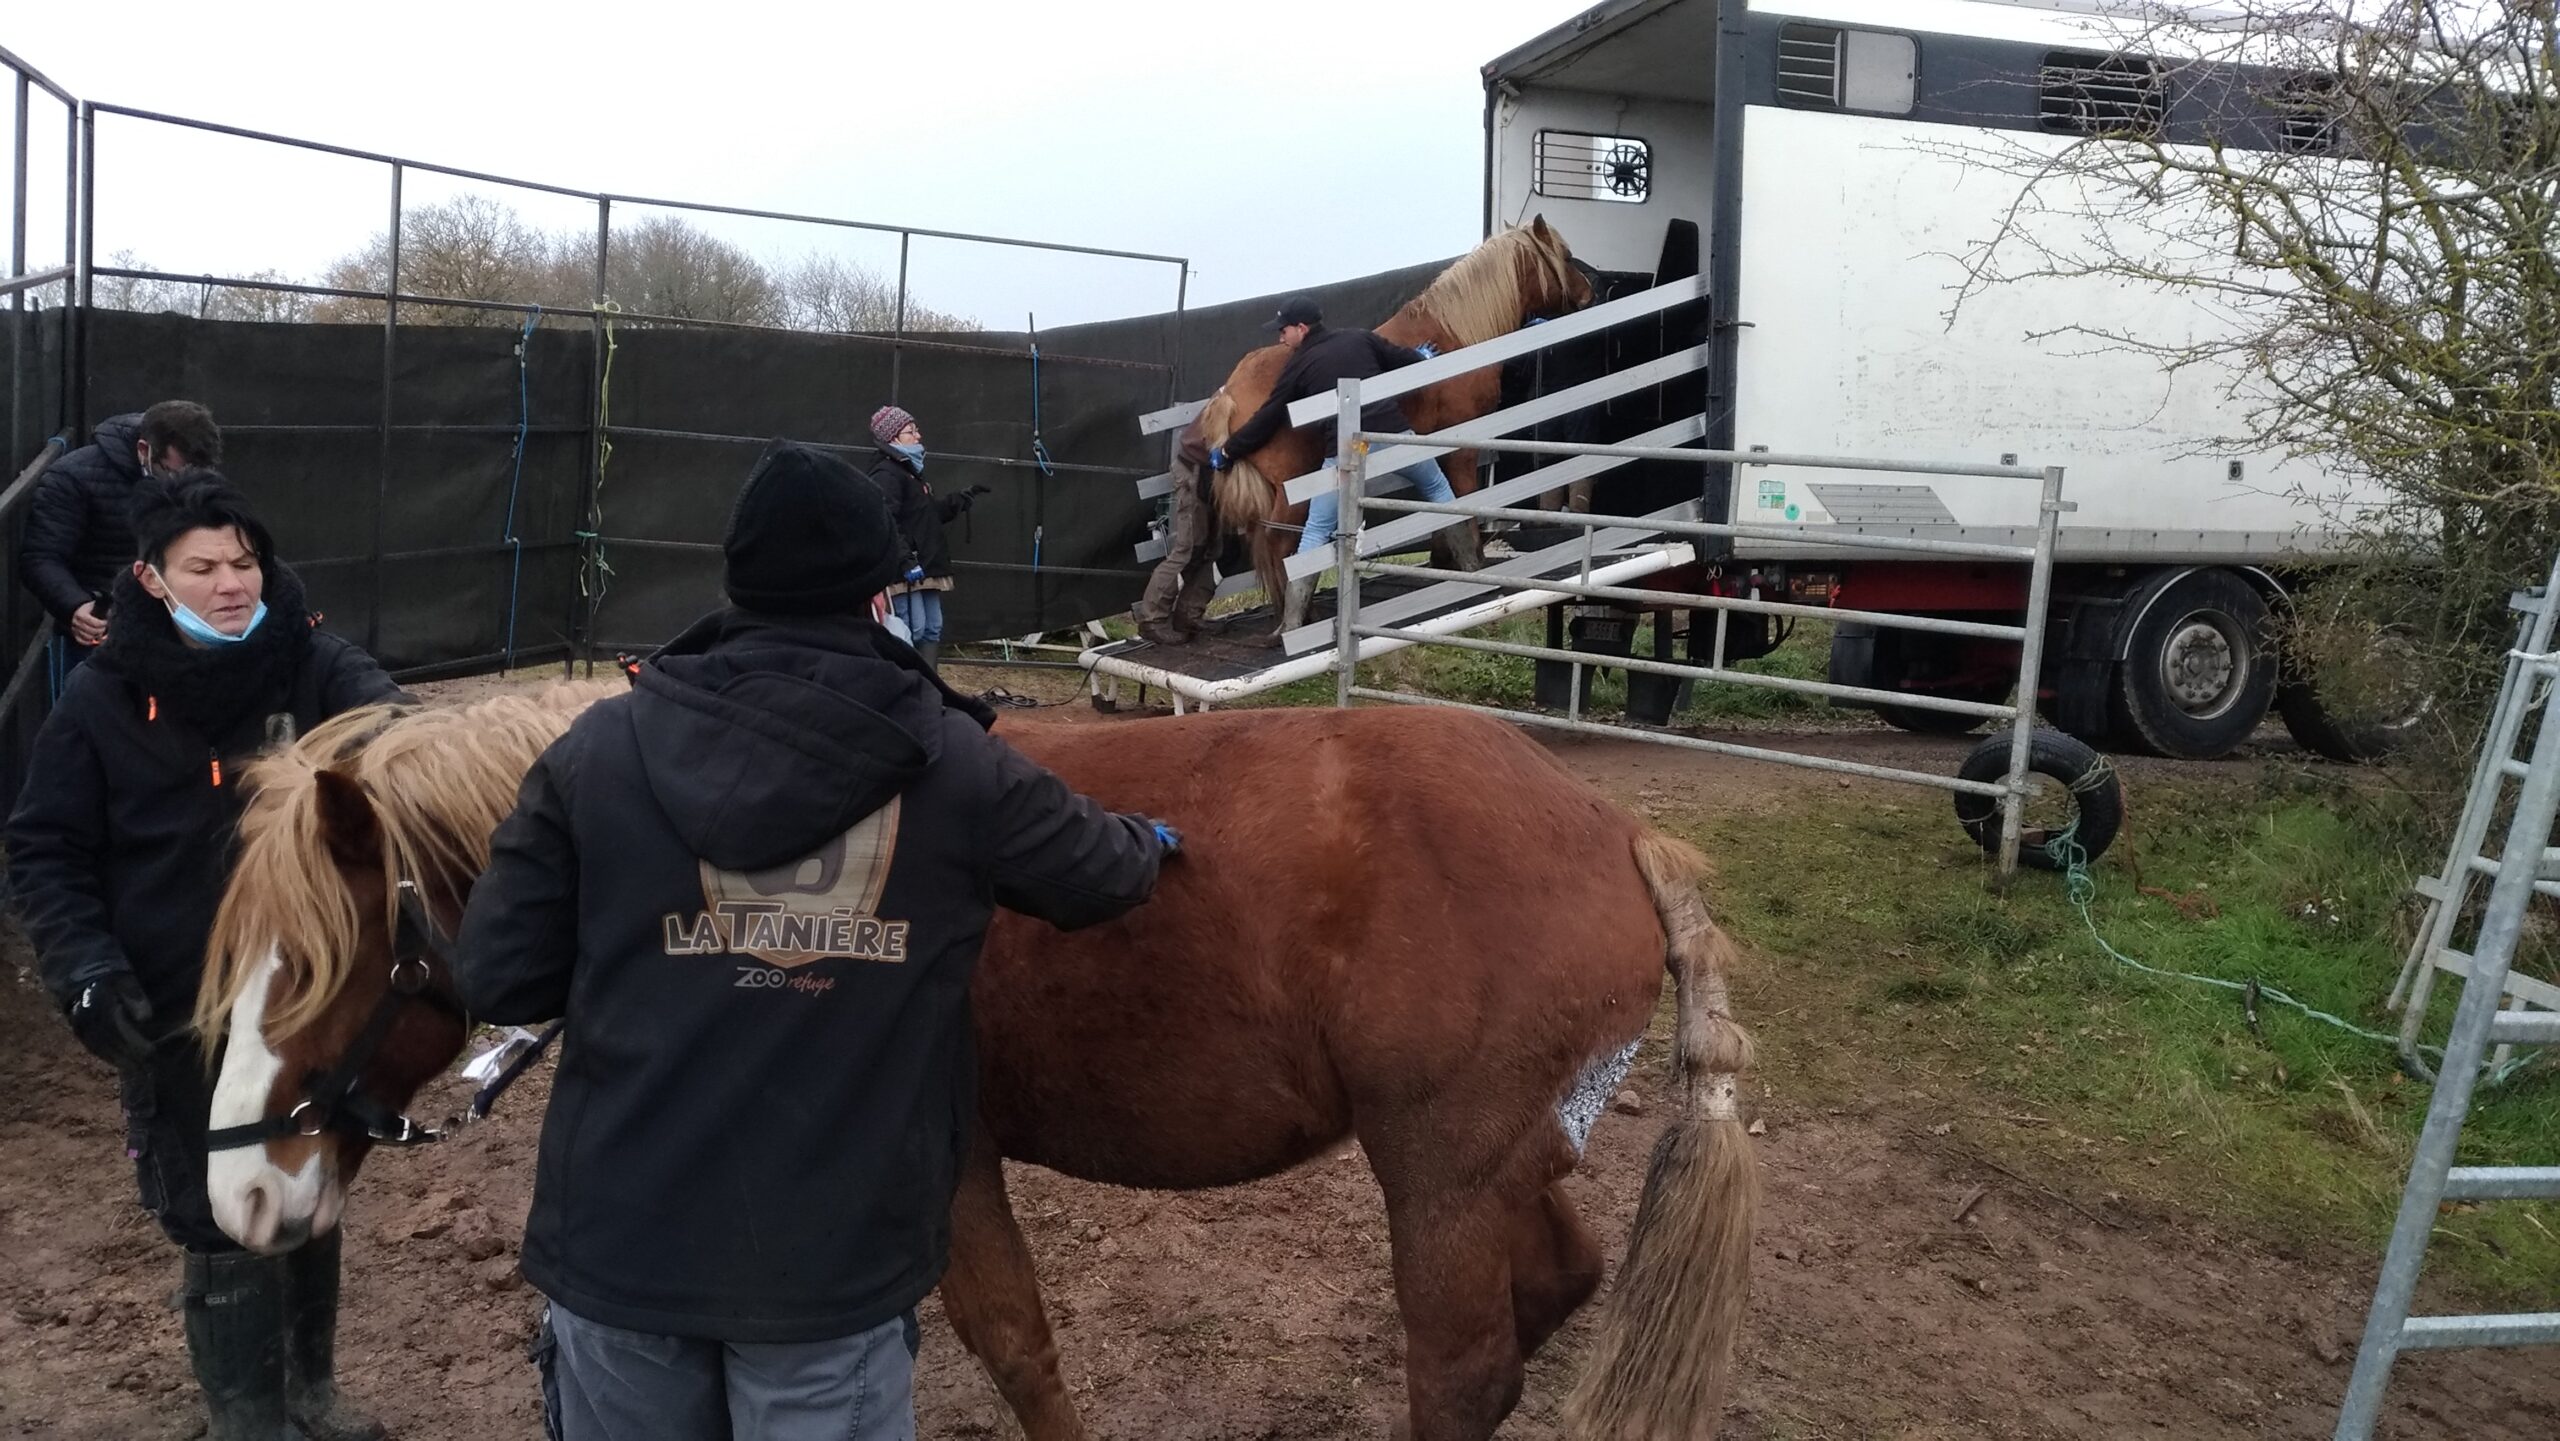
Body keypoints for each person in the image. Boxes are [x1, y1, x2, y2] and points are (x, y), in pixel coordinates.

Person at [450, 441, 1179, 1441]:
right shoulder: (954, 762)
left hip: (621, 1244)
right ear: (880, 589)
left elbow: (499, 972)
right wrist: (1151, 837)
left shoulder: (600, 749)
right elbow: (1103, 875)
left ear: (734, 576)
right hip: (829, 1265)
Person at [6, 471, 405, 1441]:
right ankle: (248, 1418)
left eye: (245, 562)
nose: (232, 583)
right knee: (215, 1205)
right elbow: (45, 845)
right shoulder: (103, 700)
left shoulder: (304, 655)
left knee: (311, 1176)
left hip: (304, 989)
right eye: (204, 568)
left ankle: (312, 1390)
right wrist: (84, 968)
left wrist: (399, 734)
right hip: (176, 998)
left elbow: (378, 706)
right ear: (150, 577)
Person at [1209, 295, 1481, 609]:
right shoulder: (1359, 337)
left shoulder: (1298, 366)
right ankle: (1471, 569)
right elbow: (1400, 358)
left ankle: (1294, 617)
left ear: (1301, 328)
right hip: (1392, 436)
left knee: (1316, 529)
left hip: (1345, 452)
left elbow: (1269, 416)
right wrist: (1421, 357)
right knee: (1437, 488)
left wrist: (1229, 451)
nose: (1280, 337)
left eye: (1283, 330)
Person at [18, 401, 224, 687]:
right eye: (173, 472)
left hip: (182, 622)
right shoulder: (72, 477)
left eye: (197, 475)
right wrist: (76, 606)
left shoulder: (195, 477)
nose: (185, 484)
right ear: (144, 450)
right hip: (106, 628)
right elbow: (41, 556)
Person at [864, 405, 988, 671]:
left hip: (927, 565)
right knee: (913, 629)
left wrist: (958, 501)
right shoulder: (886, 474)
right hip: (908, 569)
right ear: (893, 437)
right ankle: (906, 686)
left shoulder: (910, 472)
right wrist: (905, 560)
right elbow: (884, 520)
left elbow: (925, 516)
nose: (918, 436)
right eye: (911, 431)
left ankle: (928, 688)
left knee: (932, 628)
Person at [1131, 412, 1219, 647]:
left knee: (1211, 549)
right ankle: (1152, 619)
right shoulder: (1233, 396)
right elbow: (1194, 442)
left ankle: (1188, 613)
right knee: (1187, 549)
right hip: (1197, 469)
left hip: (1209, 470)